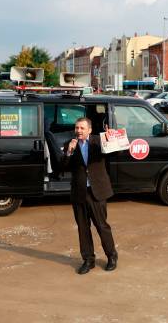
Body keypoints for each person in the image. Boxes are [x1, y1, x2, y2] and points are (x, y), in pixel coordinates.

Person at [62, 117, 118, 274]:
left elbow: (116, 153)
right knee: (83, 228)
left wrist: (111, 139)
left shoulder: (98, 141)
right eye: (77, 128)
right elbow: (63, 167)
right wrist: (69, 152)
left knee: (102, 226)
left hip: (97, 191)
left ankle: (111, 256)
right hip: (79, 192)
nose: (78, 131)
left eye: (82, 128)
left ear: (90, 130)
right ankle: (88, 260)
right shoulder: (70, 144)